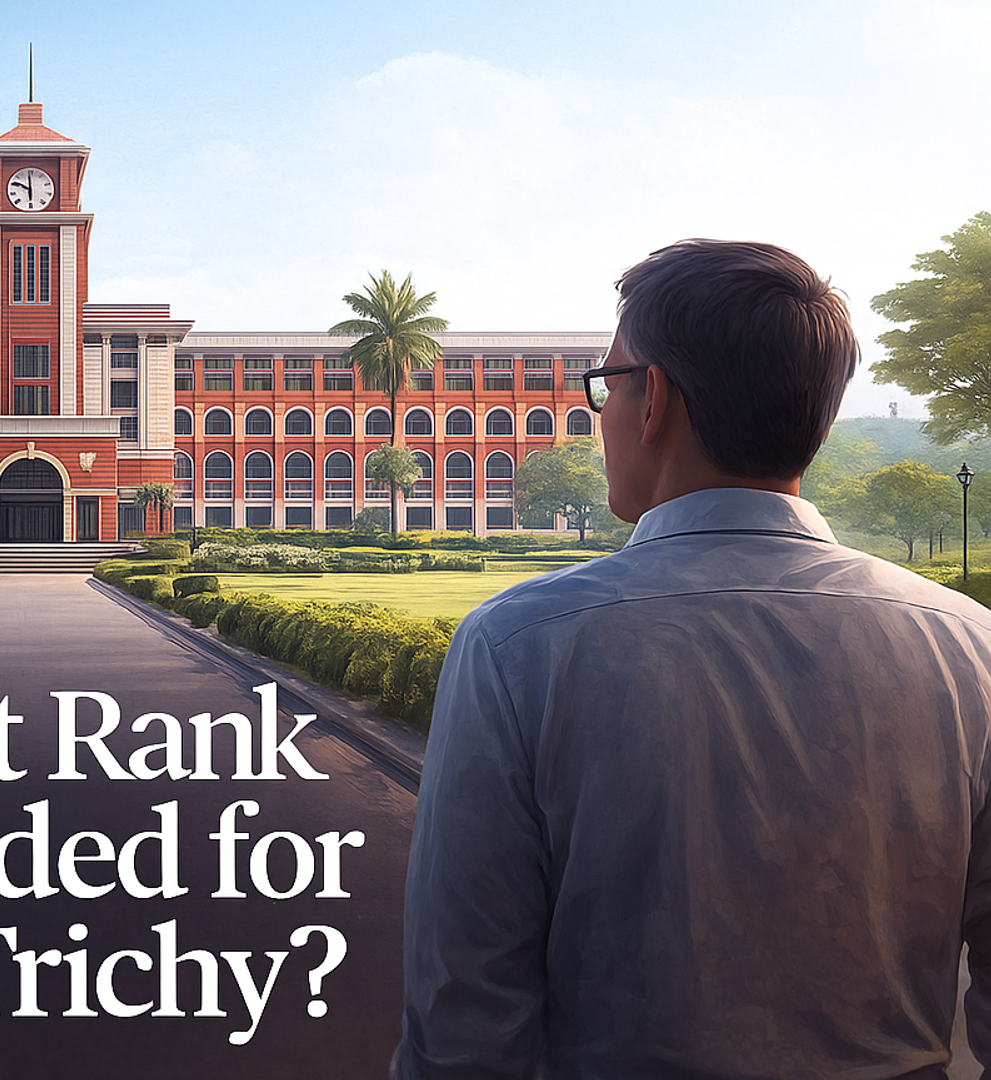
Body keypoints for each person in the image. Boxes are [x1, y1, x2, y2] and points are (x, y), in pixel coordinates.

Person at [394, 240, 991, 1078]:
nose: (597, 412)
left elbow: (463, 1020)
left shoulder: (517, 645)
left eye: (605, 384)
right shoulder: (970, 646)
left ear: (655, 400)